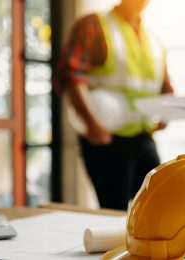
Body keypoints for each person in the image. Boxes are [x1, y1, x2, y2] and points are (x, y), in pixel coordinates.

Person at [56, 0, 173, 210]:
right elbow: (72, 75)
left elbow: (165, 86)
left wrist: (166, 112)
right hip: (104, 136)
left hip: (143, 134)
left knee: (159, 203)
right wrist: (91, 121)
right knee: (114, 210)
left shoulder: (154, 41)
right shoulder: (95, 24)